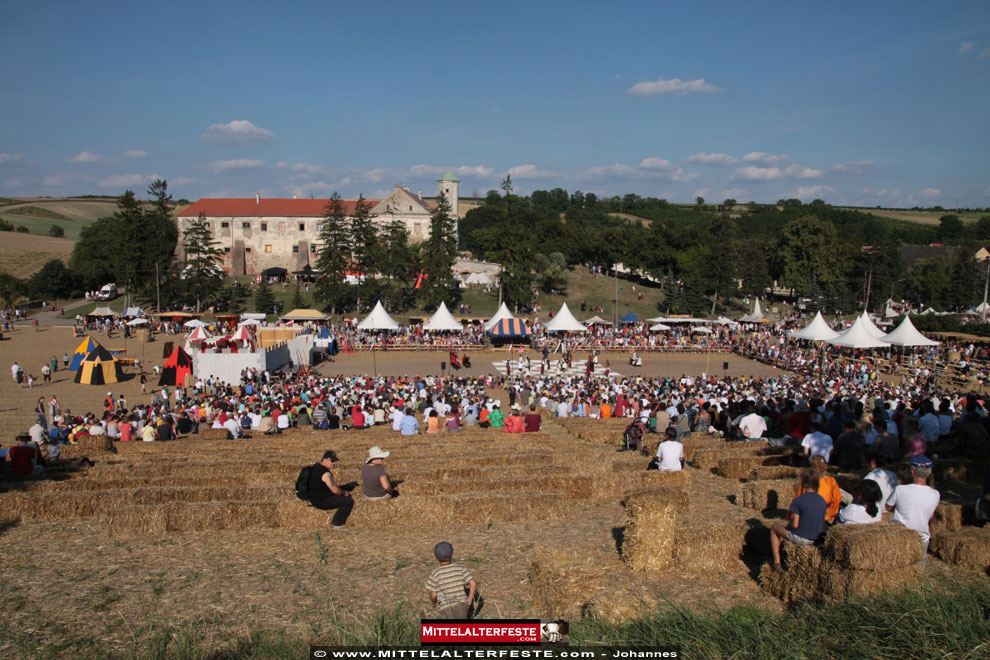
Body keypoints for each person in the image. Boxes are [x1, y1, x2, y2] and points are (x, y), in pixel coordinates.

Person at [769, 469, 827, 572]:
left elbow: (795, 525)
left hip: (802, 538)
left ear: (803, 484)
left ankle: (777, 562)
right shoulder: (822, 500)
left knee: (774, 528)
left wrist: (789, 525)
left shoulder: (798, 501)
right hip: (817, 538)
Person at [887, 455, 941, 564]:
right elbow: (931, 514)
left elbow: (888, 507)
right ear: (929, 473)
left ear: (912, 472)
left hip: (899, 535)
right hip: (922, 537)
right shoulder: (936, 494)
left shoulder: (900, 489)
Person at [426, 541, 477, 620]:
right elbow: (473, 583)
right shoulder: (460, 568)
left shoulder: (435, 573)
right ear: (452, 555)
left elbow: (433, 595)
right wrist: (469, 600)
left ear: (435, 557)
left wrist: (434, 604)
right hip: (462, 608)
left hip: (445, 609)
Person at [308, 450, 354, 530]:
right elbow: (335, 490)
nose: (334, 463)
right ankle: (337, 524)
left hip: (311, 498)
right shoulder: (325, 473)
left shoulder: (314, 468)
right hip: (321, 501)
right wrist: (345, 493)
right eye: (332, 461)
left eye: (335, 461)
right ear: (325, 459)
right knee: (348, 501)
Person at [802, 455, 843, 524]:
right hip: (827, 515)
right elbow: (837, 498)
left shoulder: (808, 481)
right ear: (825, 466)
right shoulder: (831, 481)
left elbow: (800, 498)